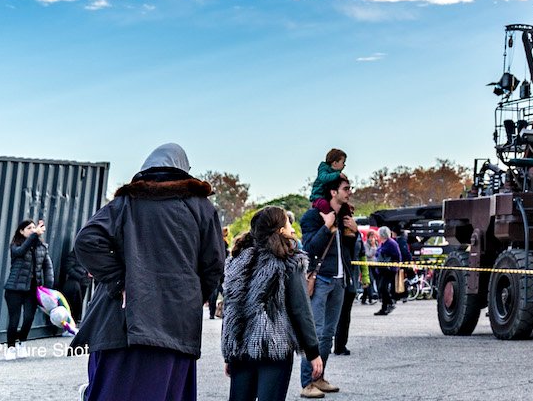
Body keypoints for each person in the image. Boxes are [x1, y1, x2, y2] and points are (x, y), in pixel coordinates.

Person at [74, 142, 227, 401]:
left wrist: (119, 281)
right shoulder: (202, 208)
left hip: (122, 325)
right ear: (184, 169)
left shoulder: (125, 202)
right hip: (175, 327)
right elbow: (214, 265)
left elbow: (87, 241)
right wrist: (192, 296)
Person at [222, 206, 323, 401]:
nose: (292, 229)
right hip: (274, 350)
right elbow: (300, 310)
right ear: (280, 230)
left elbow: (231, 310)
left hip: (242, 351)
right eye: (288, 223)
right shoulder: (289, 262)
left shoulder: (239, 260)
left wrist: (230, 353)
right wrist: (313, 352)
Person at [298, 174, 356, 396]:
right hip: (321, 279)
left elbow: (347, 251)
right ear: (333, 192)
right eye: (346, 188)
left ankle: (319, 378)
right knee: (315, 332)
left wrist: (354, 232)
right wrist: (327, 226)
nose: (349, 192)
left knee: (328, 334)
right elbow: (310, 247)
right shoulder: (313, 217)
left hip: (339, 280)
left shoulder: (345, 217)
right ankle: (307, 383)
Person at [4, 217, 54, 348]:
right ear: (21, 231)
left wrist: (48, 288)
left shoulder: (42, 247)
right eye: (29, 228)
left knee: (28, 318)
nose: (32, 230)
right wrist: (34, 236)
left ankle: (22, 342)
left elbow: (48, 267)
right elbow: (21, 251)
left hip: (32, 290)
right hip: (14, 288)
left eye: (34, 228)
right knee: (14, 320)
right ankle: (10, 347)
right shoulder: (16, 245)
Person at [372, 228, 401, 315]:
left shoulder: (391, 243)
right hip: (382, 269)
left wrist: (394, 265)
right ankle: (384, 308)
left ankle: (391, 303)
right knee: (381, 288)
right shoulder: (382, 243)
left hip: (389, 269)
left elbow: (397, 256)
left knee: (382, 287)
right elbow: (378, 253)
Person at [308, 149, 348, 213]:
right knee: (324, 205)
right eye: (343, 162)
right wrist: (338, 174)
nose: (344, 165)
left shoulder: (336, 174)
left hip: (330, 198)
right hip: (318, 197)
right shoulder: (324, 169)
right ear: (335, 163)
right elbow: (323, 178)